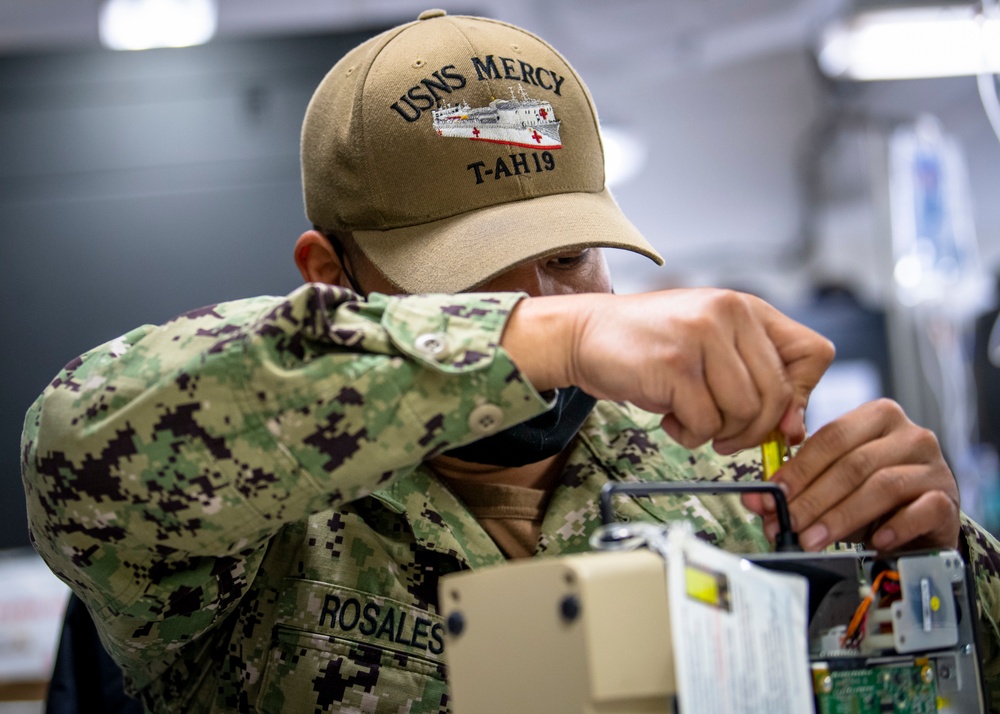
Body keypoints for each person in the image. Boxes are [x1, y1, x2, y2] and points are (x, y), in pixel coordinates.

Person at [19, 9, 1000, 713]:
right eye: (475, 279)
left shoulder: (727, 482)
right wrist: (551, 338)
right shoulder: (261, 526)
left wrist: (939, 575)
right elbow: (79, 436)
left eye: (570, 259)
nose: (546, 300)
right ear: (332, 273)